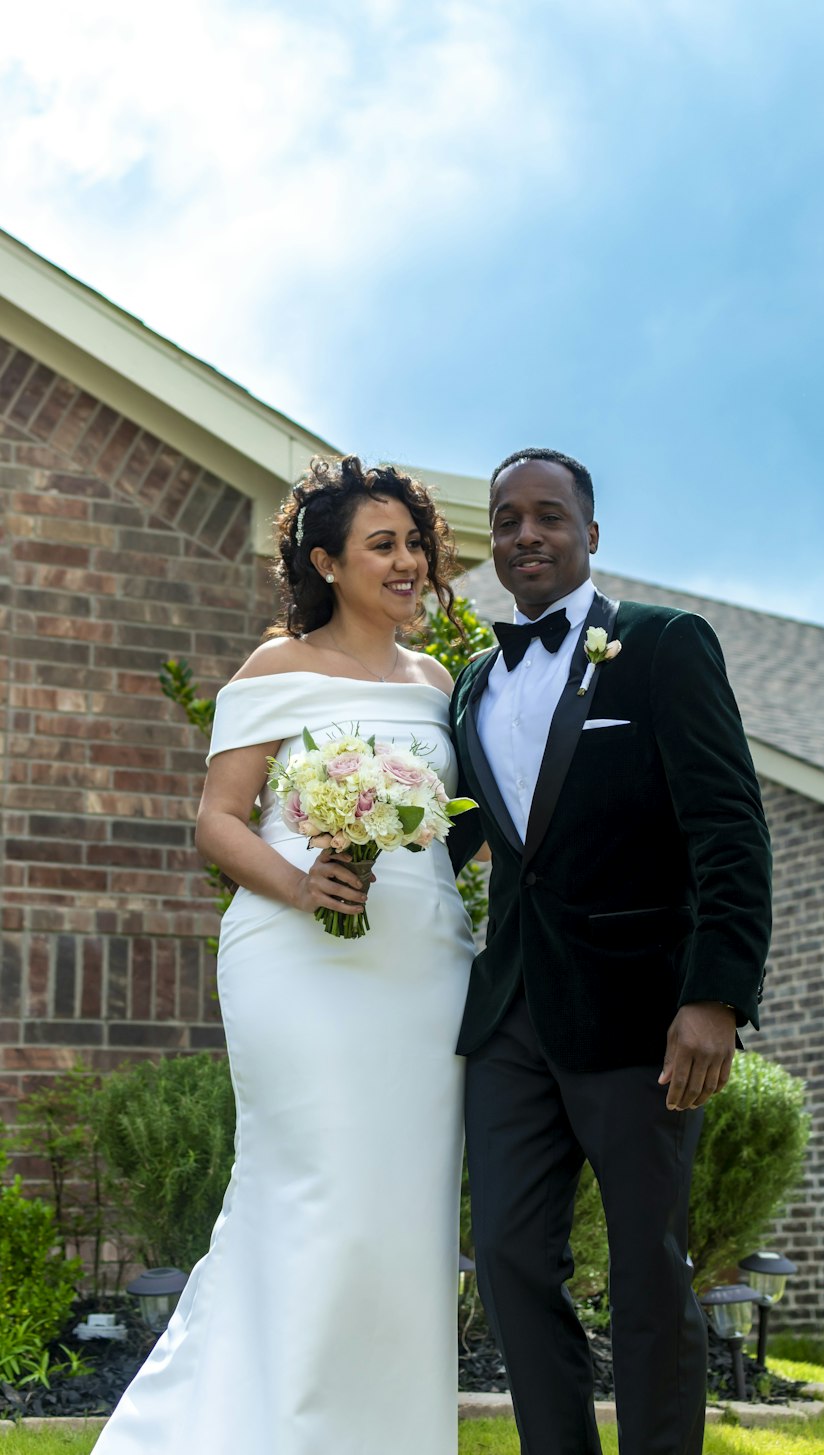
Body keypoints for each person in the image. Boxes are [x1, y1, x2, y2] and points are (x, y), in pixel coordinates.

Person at [94, 455, 474, 1455]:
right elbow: (217, 822)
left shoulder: (438, 684)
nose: (407, 562)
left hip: (421, 965)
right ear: (326, 562)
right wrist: (304, 883)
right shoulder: (275, 669)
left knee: (402, 1212)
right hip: (297, 960)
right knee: (315, 1190)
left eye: (413, 542)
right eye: (381, 545)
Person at [447, 447, 772, 1455]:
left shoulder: (665, 647)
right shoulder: (469, 686)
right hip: (508, 1019)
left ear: (591, 534)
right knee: (502, 1253)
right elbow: (448, 832)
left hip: (642, 1015)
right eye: (507, 521)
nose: (526, 536)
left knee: (645, 1264)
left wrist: (714, 995)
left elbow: (728, 827)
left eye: (548, 517)